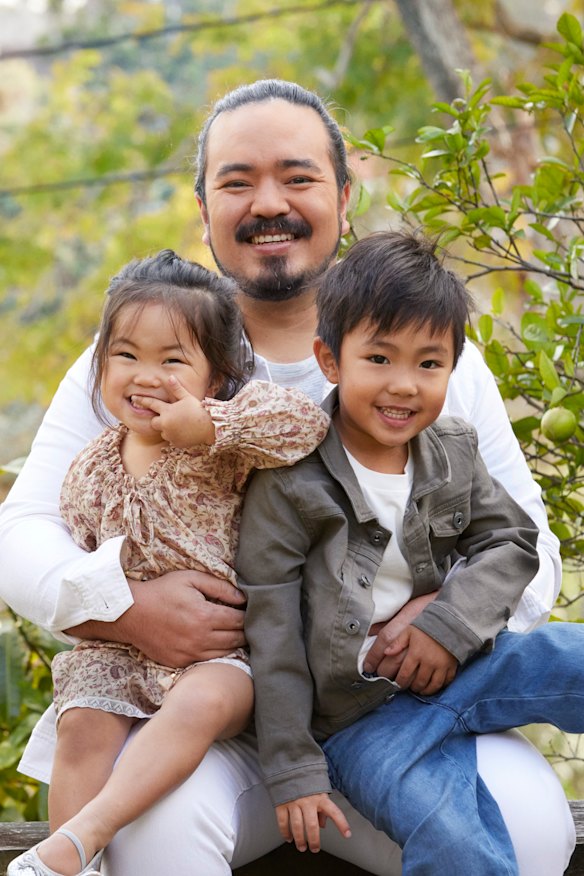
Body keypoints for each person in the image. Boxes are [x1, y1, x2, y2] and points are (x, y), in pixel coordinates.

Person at [0, 80, 574, 876]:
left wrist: (449, 611)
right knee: (153, 836)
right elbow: (22, 534)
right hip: (219, 730)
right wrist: (124, 608)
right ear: (203, 210)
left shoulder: (429, 357)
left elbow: (529, 544)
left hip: (403, 711)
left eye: (297, 178)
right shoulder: (138, 358)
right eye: (237, 182)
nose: (269, 202)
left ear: (343, 196)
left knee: (533, 832)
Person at [238, 229, 584, 876]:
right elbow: (273, 634)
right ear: (330, 359)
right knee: (454, 840)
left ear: (453, 367)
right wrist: (293, 771)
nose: (404, 386)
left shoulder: (451, 448)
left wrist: (449, 625)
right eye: (380, 359)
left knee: (575, 657)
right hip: (360, 721)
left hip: (466, 666)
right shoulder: (289, 483)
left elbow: (510, 541)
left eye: (429, 364)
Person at [7, 249, 329, 876]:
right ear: (99, 367)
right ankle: (75, 863)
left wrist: (212, 424)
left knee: (200, 704)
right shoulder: (90, 469)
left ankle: (85, 834)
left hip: (226, 657)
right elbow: (67, 550)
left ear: (215, 376)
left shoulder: (220, 446)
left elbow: (304, 424)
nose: (146, 375)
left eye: (173, 360)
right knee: (82, 724)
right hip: (123, 651)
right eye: (126, 356)